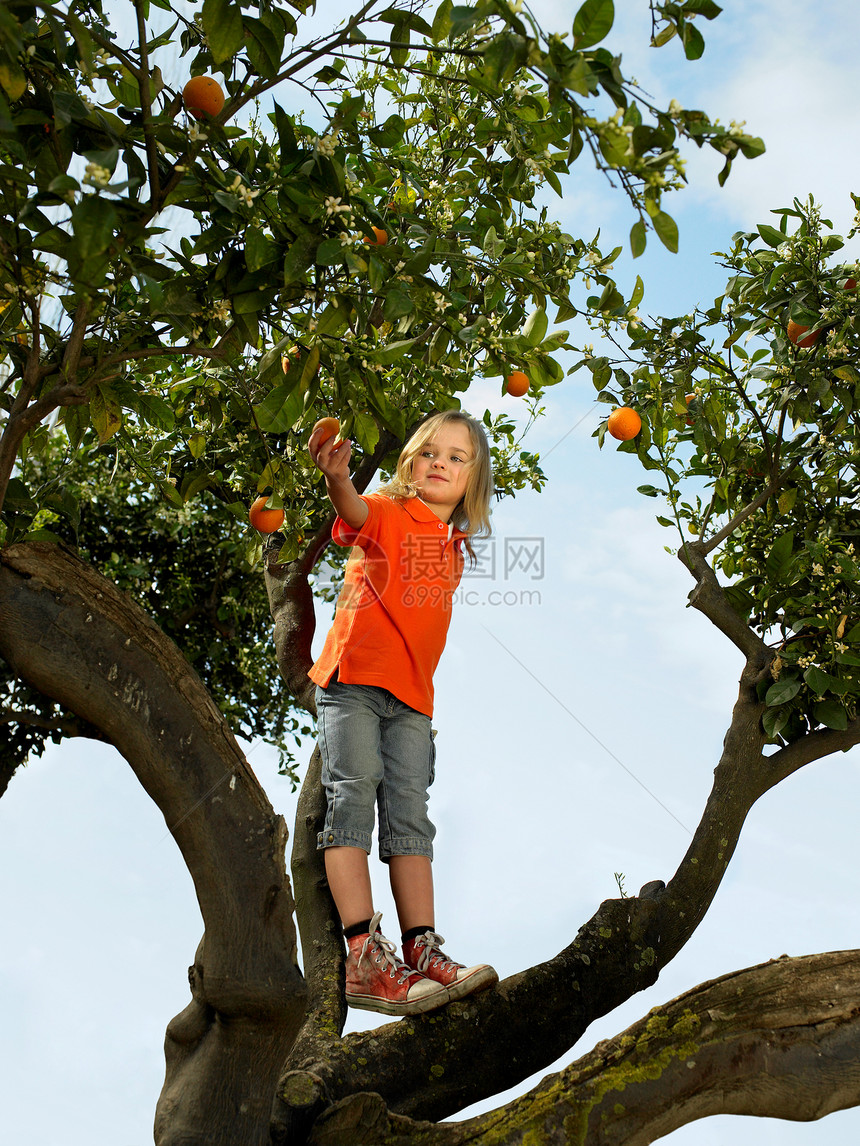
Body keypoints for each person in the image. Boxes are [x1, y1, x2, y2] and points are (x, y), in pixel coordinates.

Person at [307, 410, 499, 1017]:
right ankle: (363, 953)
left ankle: (423, 951)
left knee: (412, 818)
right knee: (353, 797)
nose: (439, 462)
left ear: (473, 480)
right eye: (428, 453)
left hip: (413, 700)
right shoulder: (389, 513)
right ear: (410, 465)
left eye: (456, 457)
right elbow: (356, 512)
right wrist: (339, 479)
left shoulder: (455, 550)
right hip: (357, 683)